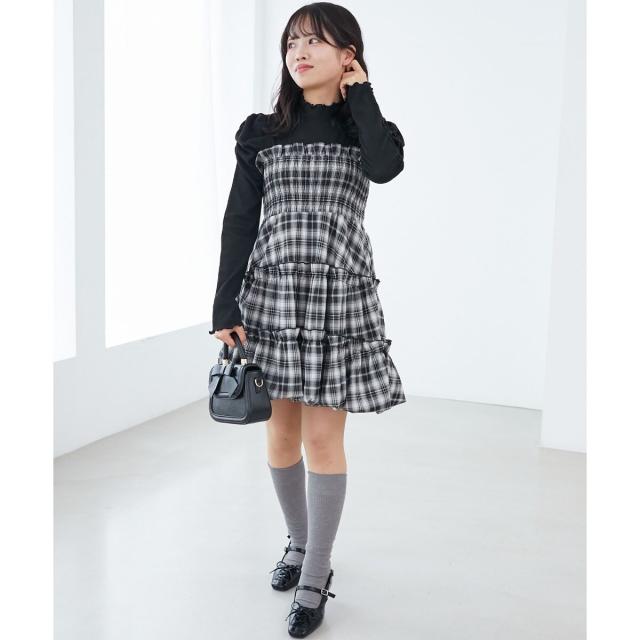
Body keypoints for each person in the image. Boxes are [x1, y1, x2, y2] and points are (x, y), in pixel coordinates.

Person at [209, 3, 406, 636]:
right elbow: (240, 219)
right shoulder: (260, 131)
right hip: (270, 296)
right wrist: (224, 304)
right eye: (293, 41)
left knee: (323, 441)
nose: (300, 51)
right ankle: (298, 543)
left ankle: (316, 574)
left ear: (348, 55)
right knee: (279, 435)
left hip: (336, 299)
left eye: (317, 42)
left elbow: (385, 168)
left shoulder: (368, 130)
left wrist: (361, 92)